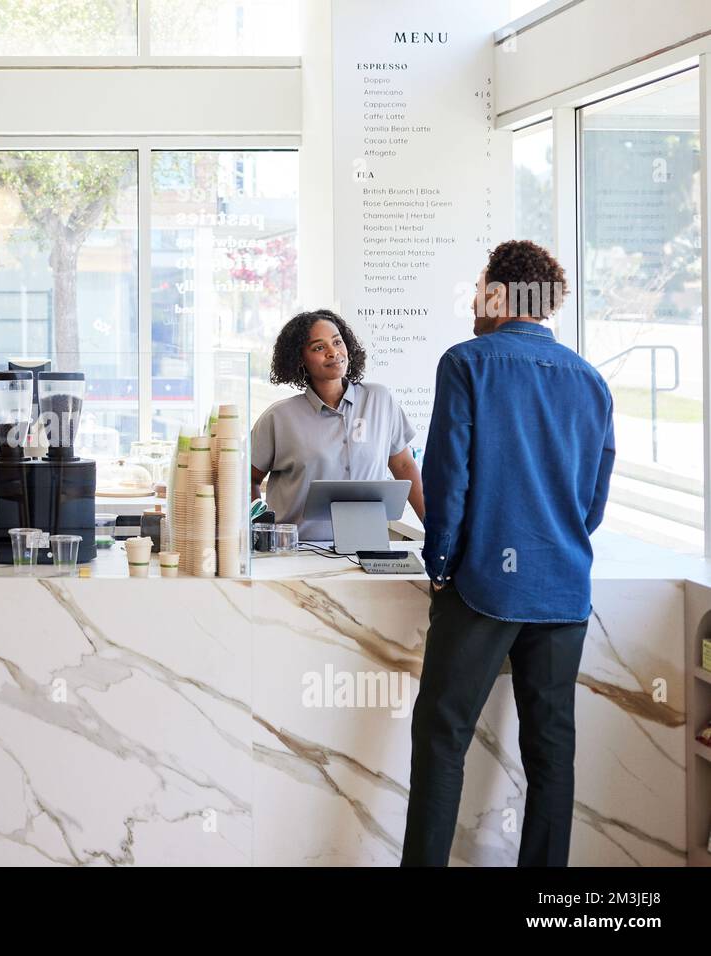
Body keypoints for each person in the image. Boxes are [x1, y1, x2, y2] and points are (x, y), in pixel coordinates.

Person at [402, 240, 616, 867]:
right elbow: (593, 501)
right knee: (553, 754)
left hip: (484, 588)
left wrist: (440, 565)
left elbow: (448, 476)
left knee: (443, 739)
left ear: (498, 293)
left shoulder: (468, 362)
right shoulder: (591, 380)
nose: (473, 298)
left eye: (478, 285)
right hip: (564, 589)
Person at [249, 309, 425, 540]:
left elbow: (403, 466)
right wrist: (260, 530)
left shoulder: (379, 400)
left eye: (337, 342)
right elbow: (247, 479)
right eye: (319, 348)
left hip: (367, 546)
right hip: (297, 552)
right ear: (300, 359)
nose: (333, 352)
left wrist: (434, 530)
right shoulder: (279, 417)